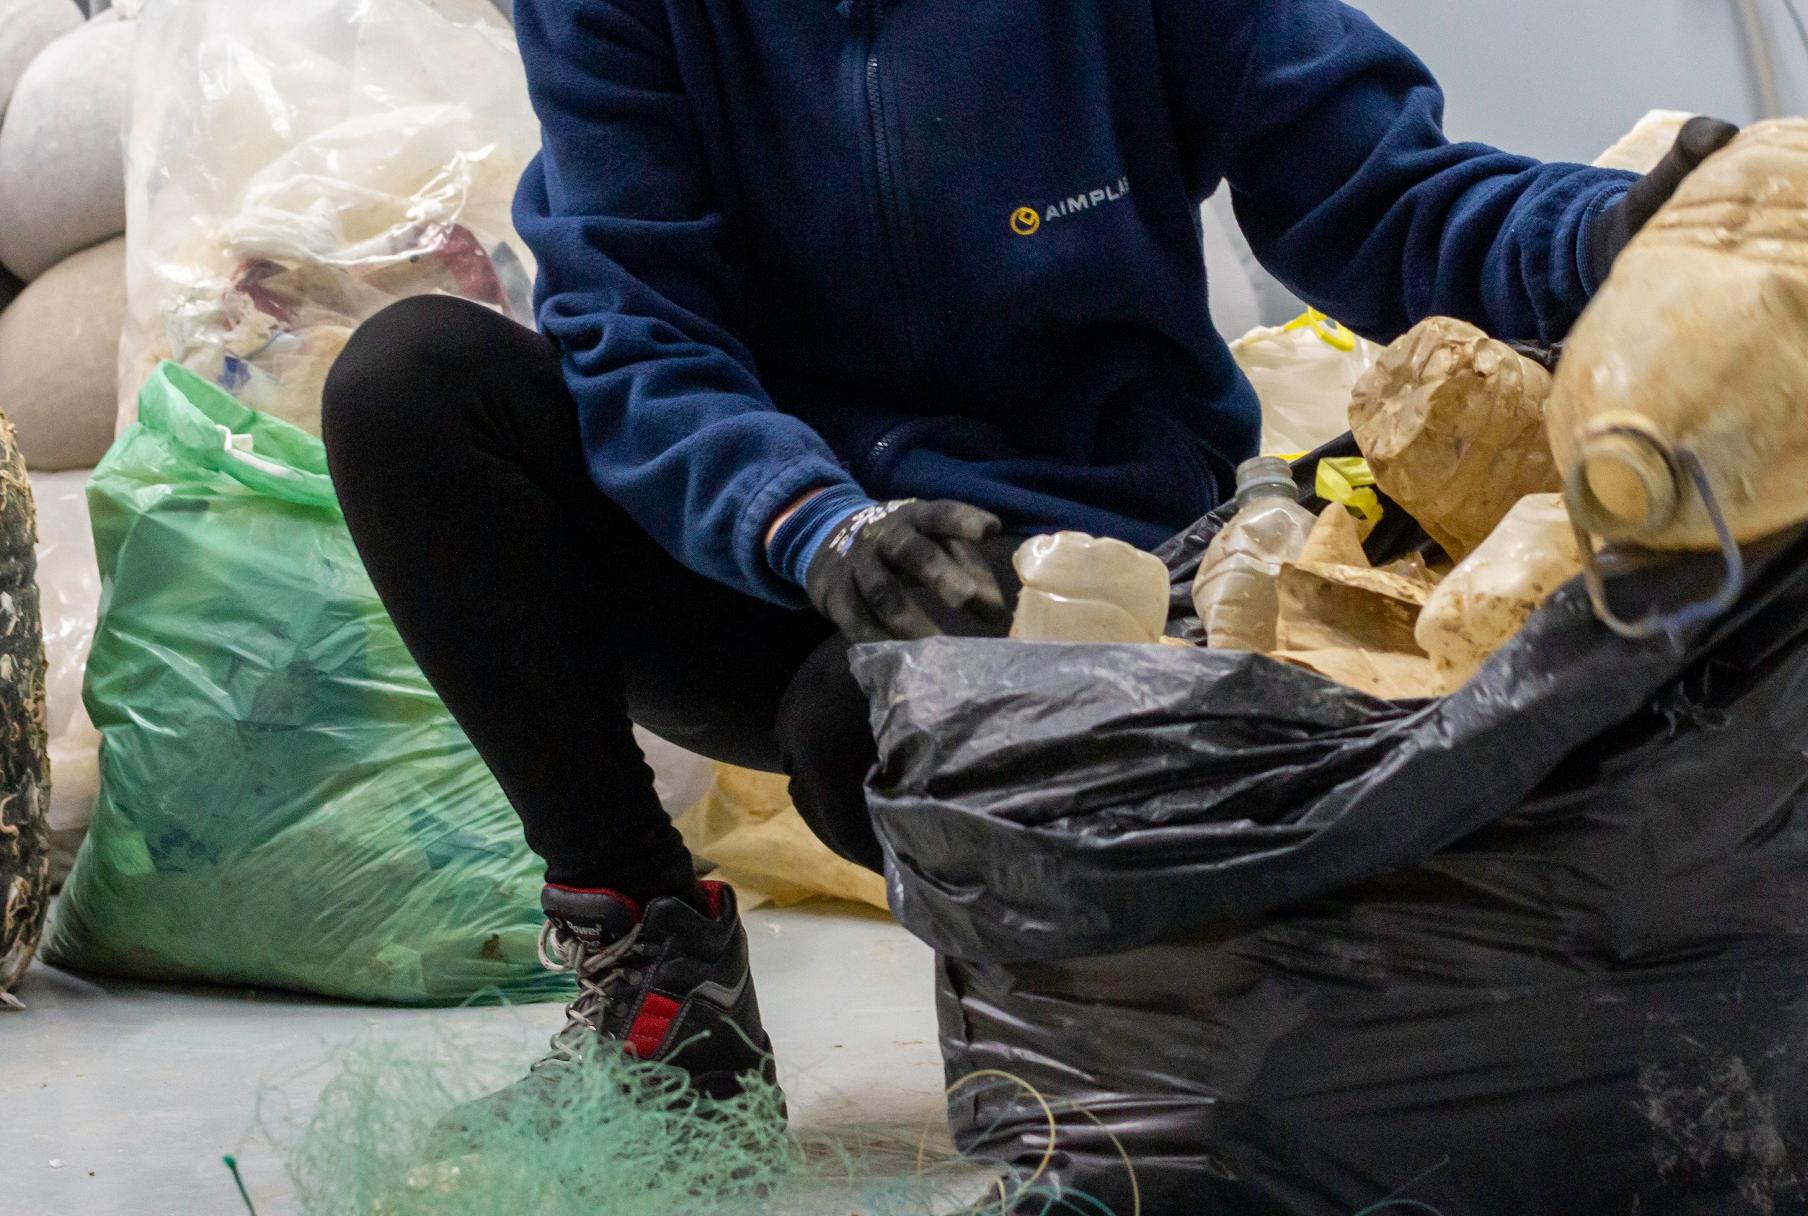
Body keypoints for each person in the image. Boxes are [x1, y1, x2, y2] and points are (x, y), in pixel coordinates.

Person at [321, 0, 1735, 1112]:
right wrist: (812, 526)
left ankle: (1134, 1004)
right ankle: (659, 995)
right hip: (766, 544)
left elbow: (1373, 188)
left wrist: (1606, 234)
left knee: (868, 735)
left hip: (1078, 554)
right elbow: (637, 332)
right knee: (412, 389)